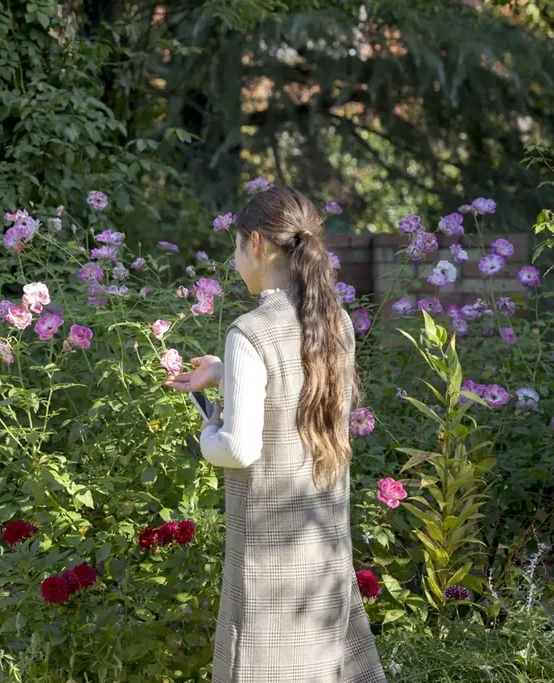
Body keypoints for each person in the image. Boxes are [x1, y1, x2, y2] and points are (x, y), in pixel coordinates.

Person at [165, 185, 387, 683]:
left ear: (258, 244)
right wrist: (227, 373)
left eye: (236, 244)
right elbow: (293, 384)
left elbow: (238, 449)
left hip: (268, 565)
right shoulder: (336, 323)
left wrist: (207, 427)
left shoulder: (250, 330)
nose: (234, 257)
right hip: (321, 555)